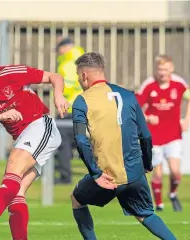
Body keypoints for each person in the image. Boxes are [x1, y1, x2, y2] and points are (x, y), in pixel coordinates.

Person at [70, 52, 176, 240]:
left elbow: (80, 140)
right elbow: (146, 136)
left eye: (78, 76)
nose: (79, 80)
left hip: (107, 175)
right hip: (134, 172)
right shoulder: (128, 95)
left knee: (77, 200)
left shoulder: (82, 100)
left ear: (84, 75)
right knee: (145, 214)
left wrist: (95, 173)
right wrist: (146, 164)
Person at [0, 49, 68, 238]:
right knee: (14, 193)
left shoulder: (12, 73)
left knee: (13, 166)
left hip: (40, 124)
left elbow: (55, 76)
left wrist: (58, 95)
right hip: (23, 138)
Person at [136, 55, 190, 212]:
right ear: (156, 70)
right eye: (160, 69)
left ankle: (172, 194)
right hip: (153, 136)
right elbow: (136, 105)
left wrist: (186, 119)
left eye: (165, 69)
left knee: (176, 172)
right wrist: (146, 117)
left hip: (173, 134)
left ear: (171, 69)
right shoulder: (149, 85)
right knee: (157, 173)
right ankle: (159, 204)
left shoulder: (179, 84)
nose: (162, 73)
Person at [54, 38, 85, 184]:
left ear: (64, 48)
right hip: (83, 108)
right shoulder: (83, 60)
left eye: (59, 48)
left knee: (62, 141)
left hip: (69, 108)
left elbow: (66, 87)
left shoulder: (67, 64)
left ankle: (65, 176)